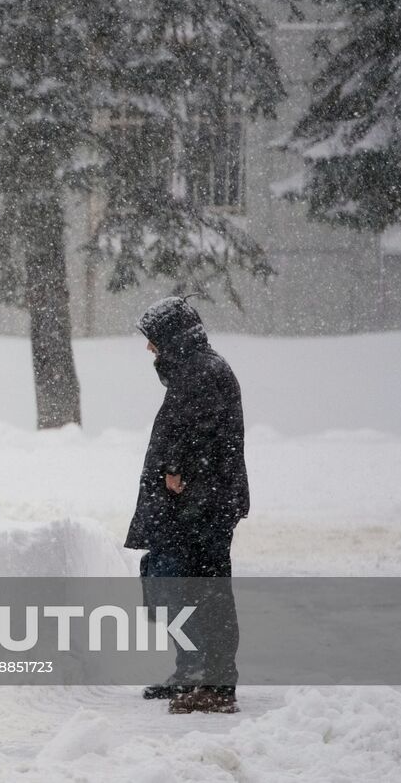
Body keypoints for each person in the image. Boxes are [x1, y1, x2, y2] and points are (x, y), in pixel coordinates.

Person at [127, 296, 249, 715]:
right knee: (184, 587)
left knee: (206, 594)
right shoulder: (197, 369)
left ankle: (215, 684)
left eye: (154, 339)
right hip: (199, 502)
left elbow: (198, 434)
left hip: (203, 505)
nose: (150, 349)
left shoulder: (203, 372)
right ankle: (196, 672)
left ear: (173, 337)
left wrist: (176, 470)